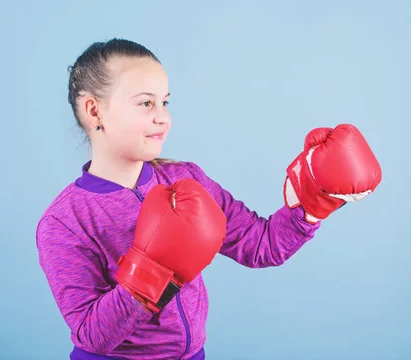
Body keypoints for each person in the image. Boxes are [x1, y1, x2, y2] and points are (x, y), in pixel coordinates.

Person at [36, 38, 382, 360]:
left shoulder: (186, 179)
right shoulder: (65, 221)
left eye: (164, 102)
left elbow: (261, 245)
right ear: (94, 111)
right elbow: (92, 335)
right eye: (145, 103)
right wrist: (152, 273)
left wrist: (312, 203)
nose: (162, 116)